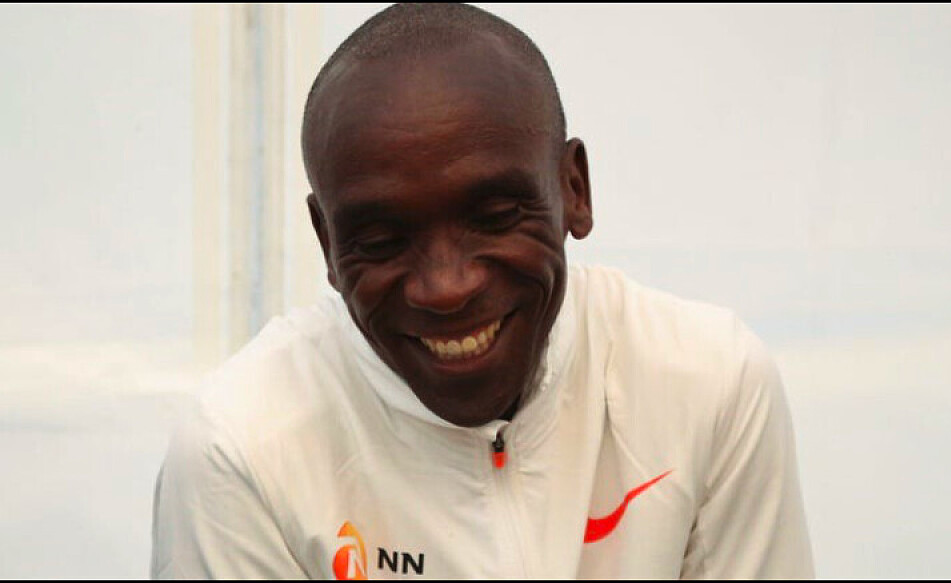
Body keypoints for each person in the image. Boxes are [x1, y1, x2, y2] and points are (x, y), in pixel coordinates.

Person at [151, 3, 814, 579]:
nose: (445, 288)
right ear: (327, 243)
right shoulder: (242, 450)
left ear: (574, 190)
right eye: (381, 240)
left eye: (495, 217)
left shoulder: (706, 383)